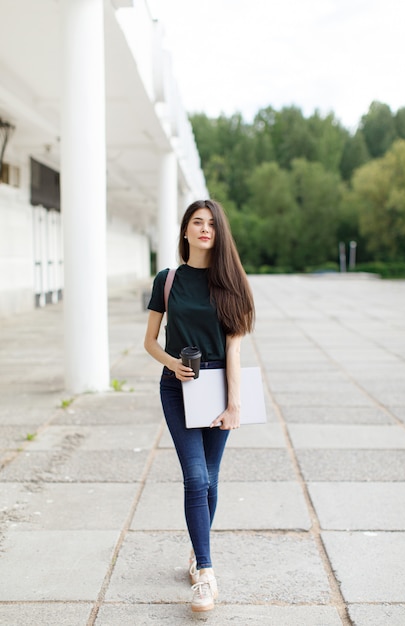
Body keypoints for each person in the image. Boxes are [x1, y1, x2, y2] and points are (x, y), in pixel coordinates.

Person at [144, 199, 255, 612]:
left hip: (217, 388)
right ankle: (205, 574)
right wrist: (172, 363)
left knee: (210, 476)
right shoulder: (168, 279)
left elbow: (234, 351)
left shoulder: (233, 283)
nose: (205, 228)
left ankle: (196, 551)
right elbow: (150, 341)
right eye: (197, 222)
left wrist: (235, 405)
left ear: (218, 232)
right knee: (195, 477)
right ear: (186, 231)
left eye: (211, 223)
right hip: (177, 387)